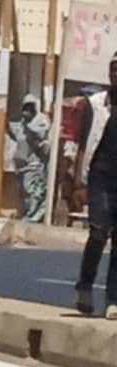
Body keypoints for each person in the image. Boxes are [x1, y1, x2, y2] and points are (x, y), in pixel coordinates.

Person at [76, 58, 117, 318]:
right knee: (99, 233)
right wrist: (78, 183)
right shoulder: (95, 104)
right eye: (113, 69)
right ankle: (85, 285)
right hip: (100, 176)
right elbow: (83, 144)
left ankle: (113, 299)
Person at [10, 94, 50, 223]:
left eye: (30, 107)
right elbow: (16, 136)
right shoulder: (22, 123)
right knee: (22, 191)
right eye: (25, 107)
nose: (27, 110)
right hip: (21, 163)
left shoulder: (41, 120)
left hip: (33, 163)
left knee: (30, 189)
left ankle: (33, 215)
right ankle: (25, 213)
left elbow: (40, 133)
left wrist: (29, 125)